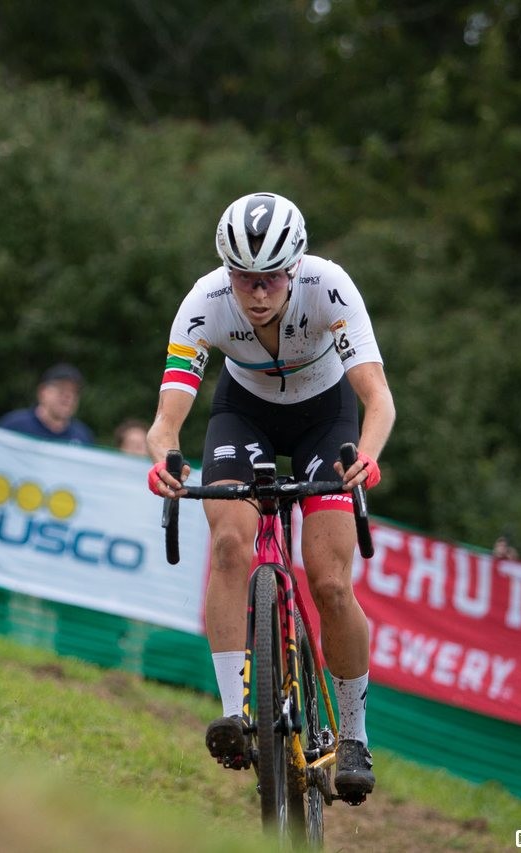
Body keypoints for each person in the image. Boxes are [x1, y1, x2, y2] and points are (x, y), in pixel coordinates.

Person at [145, 192, 395, 802]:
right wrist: (164, 458)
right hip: (244, 416)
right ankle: (235, 713)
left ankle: (355, 735)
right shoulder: (203, 304)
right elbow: (166, 419)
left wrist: (366, 455)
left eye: (272, 279)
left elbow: (379, 399)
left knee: (332, 583)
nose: (258, 293)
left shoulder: (330, 288)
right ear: (227, 273)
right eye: (244, 280)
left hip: (325, 419)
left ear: (296, 266)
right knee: (230, 545)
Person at [0, 363, 95, 444]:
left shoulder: (82, 436)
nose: (68, 396)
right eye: (61, 389)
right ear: (42, 392)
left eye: (74, 391)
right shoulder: (15, 426)